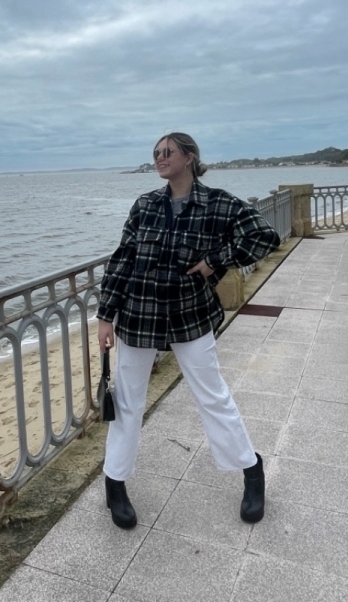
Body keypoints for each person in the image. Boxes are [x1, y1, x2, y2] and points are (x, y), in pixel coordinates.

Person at [97, 132, 281, 529]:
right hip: (139, 313)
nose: (160, 158)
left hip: (190, 314)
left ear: (190, 157)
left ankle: (251, 470)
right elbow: (123, 258)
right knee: (127, 402)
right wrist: (105, 315)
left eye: (168, 152)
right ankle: (115, 482)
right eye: (156, 153)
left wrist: (216, 260)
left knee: (212, 396)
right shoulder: (145, 204)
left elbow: (265, 236)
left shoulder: (218, 203)